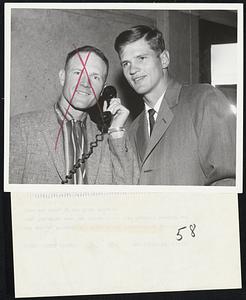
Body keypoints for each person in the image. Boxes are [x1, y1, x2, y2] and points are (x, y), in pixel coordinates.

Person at [114, 25, 236, 185]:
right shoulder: (134, 128)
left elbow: (229, 180)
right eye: (126, 64)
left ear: (164, 59)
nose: (133, 70)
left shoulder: (204, 100)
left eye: (141, 58)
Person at [9, 45, 139, 184]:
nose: (85, 83)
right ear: (62, 77)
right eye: (77, 73)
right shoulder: (18, 128)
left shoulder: (106, 141)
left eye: (95, 77)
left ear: (103, 90)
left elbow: (127, 193)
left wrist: (116, 131)